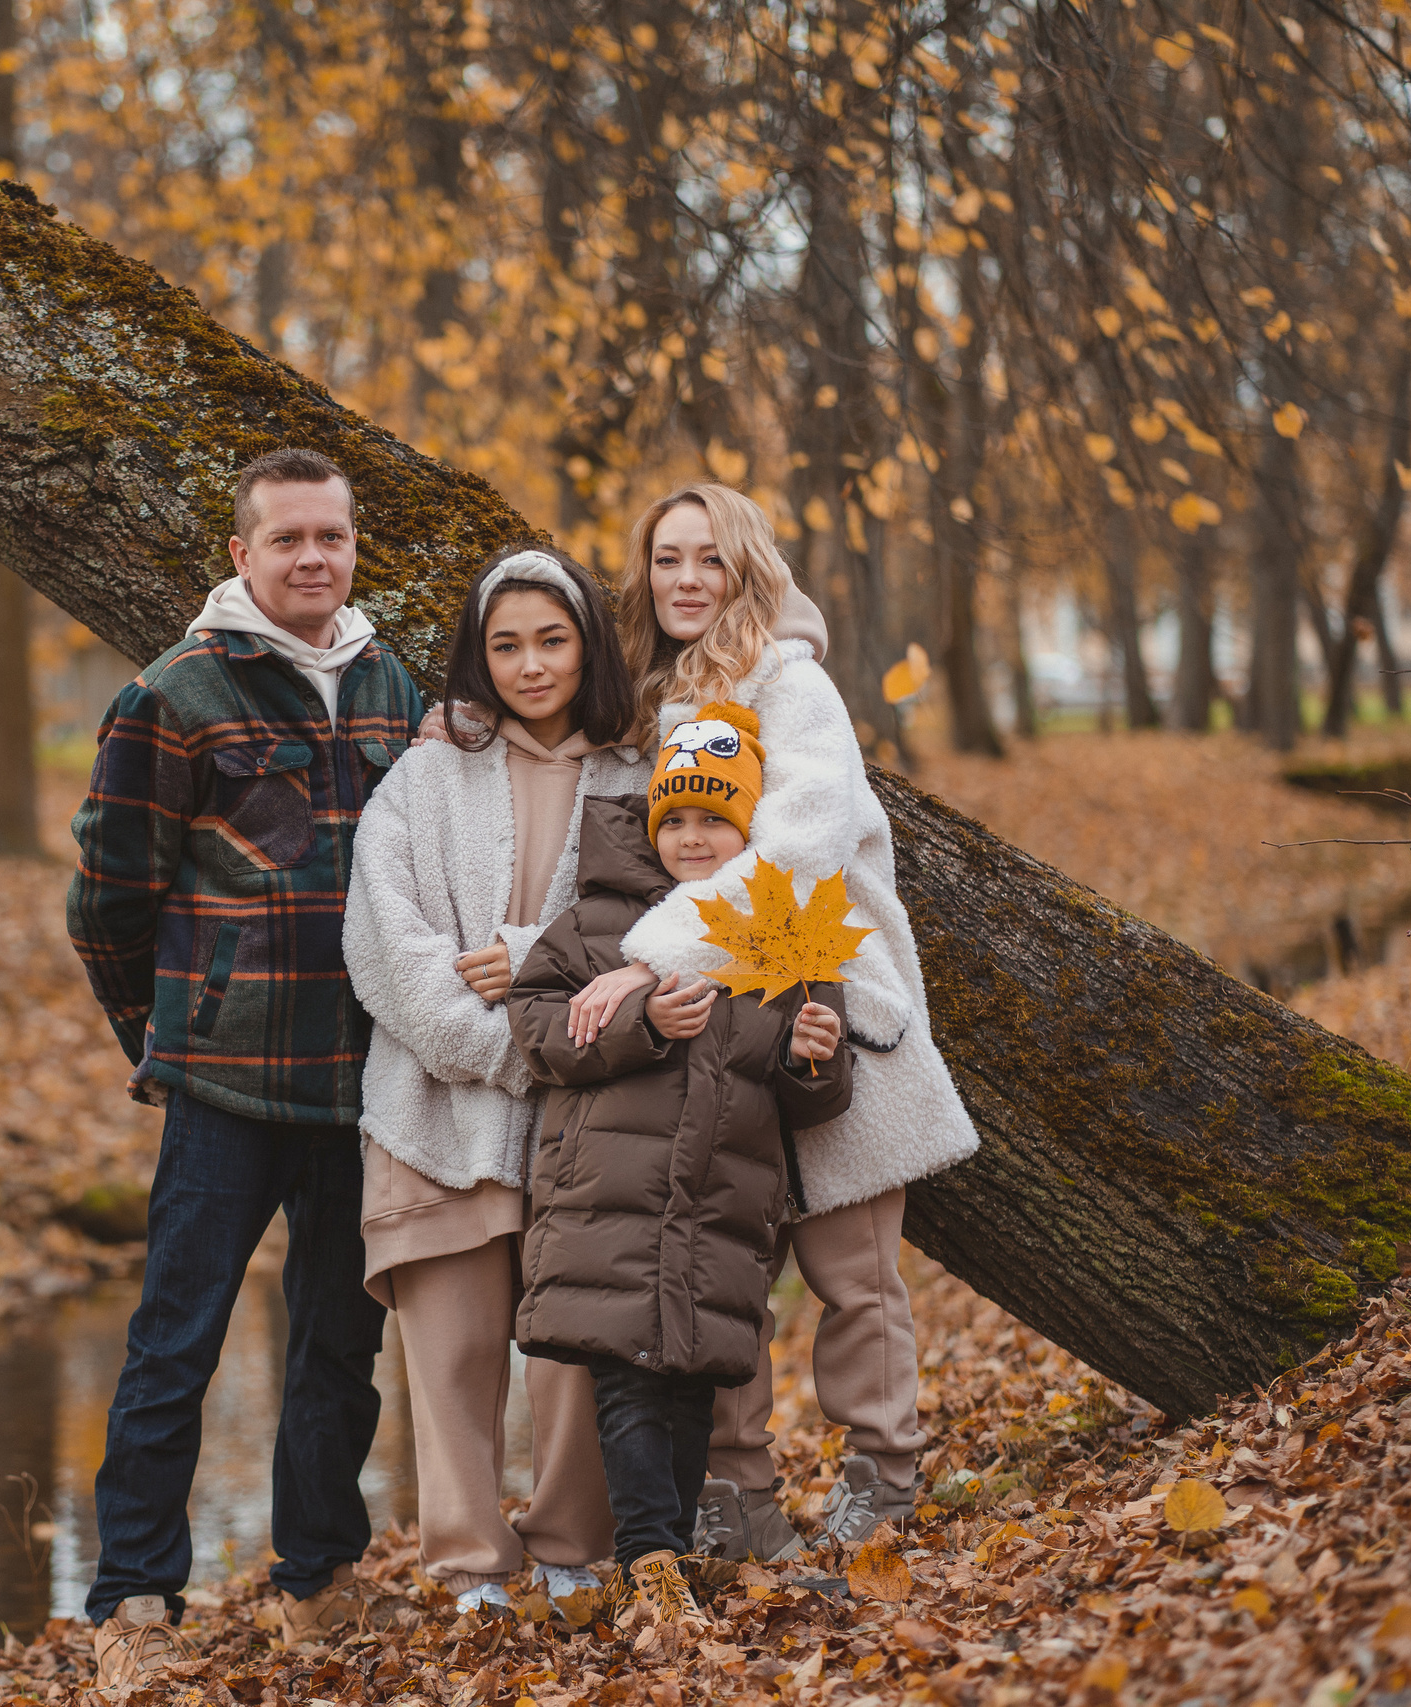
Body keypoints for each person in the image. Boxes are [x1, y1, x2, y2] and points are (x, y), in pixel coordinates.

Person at [563, 482, 979, 1561]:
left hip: (819, 996)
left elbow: (798, 848)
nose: (686, 579)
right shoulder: (646, 701)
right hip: (708, 1025)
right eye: (667, 559)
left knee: (852, 1271)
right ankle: (737, 1492)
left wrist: (650, 959)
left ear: (747, 571)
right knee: (721, 1264)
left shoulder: (793, 686)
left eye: (710, 558)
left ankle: (885, 1473)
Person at [66, 447, 426, 1685]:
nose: (312, 558)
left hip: (361, 1084)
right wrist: (167, 1038)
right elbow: (107, 902)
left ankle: (317, 1578)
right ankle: (131, 1600)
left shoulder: (390, 685)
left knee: (338, 1345)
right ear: (242, 553)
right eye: (287, 539)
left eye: (330, 537)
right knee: (177, 1341)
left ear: (351, 547)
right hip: (223, 1090)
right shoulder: (174, 693)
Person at [339, 546, 642, 1622]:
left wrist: (530, 967)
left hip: (588, 1110)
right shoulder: (426, 775)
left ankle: (572, 1547)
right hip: (436, 1106)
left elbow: (661, 930)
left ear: (589, 645)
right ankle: (471, 1567)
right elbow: (385, 939)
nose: (531, 665)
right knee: (454, 1348)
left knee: (574, 1347)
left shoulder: (638, 776)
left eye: (552, 640)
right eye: (506, 645)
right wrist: (498, 1046)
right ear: (479, 656)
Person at [505, 701, 853, 1625]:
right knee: (627, 1380)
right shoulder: (596, 923)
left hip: (716, 1205)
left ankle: (673, 1551)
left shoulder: (778, 933)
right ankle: (648, 1557)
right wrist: (642, 1020)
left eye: (714, 819)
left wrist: (813, 1055)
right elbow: (538, 1027)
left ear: (750, 827)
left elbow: (816, 1094)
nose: (693, 838)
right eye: (677, 820)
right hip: (611, 1198)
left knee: (691, 1385)